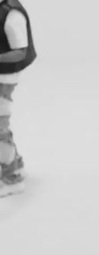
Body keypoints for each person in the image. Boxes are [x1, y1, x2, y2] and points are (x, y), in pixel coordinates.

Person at [0, 0, 36, 197]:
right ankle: (14, 164)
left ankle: (10, 176)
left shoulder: (11, 15)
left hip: (4, 78)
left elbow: (19, 52)